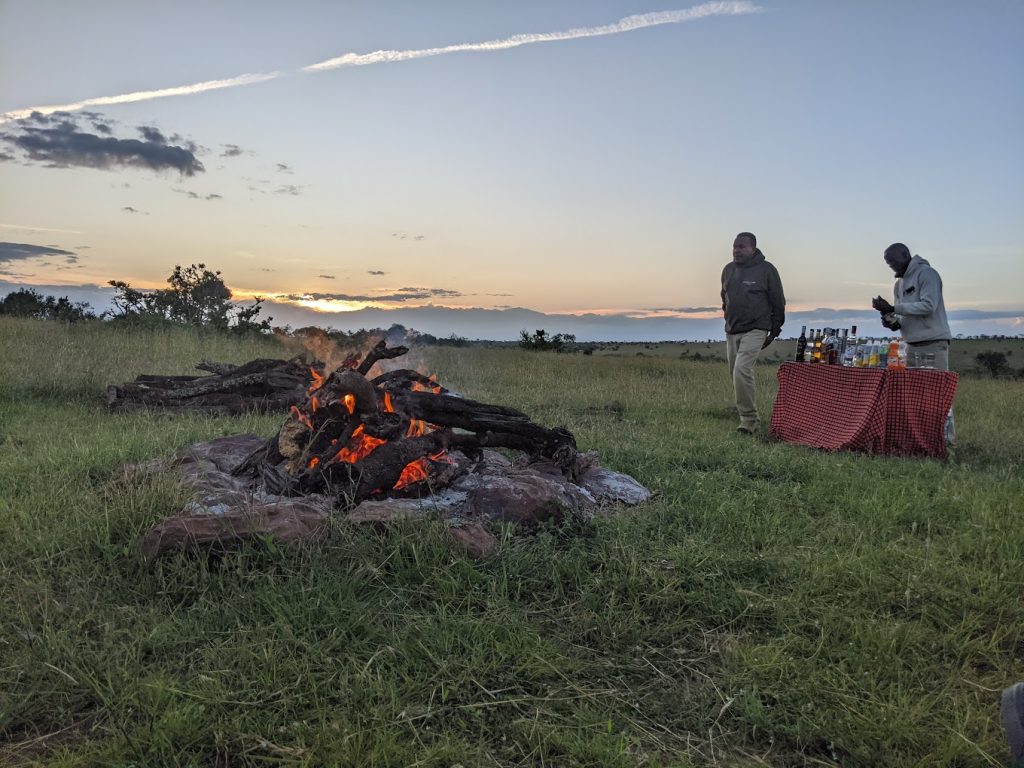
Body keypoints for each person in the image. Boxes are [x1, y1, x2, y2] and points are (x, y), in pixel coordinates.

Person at [871, 242, 954, 441]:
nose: (891, 266)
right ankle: (920, 443)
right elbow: (904, 315)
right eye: (888, 263)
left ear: (905, 254)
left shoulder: (927, 274)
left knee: (937, 397)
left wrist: (894, 308)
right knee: (915, 399)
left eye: (893, 261)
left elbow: (928, 305)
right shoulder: (898, 284)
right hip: (910, 346)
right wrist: (891, 320)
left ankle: (945, 445)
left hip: (933, 343)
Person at [720, 232, 785, 434]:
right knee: (735, 374)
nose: (737, 250)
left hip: (757, 327)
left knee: (741, 370)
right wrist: (728, 318)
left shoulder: (767, 270)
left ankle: (750, 421)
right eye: (734, 246)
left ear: (753, 248)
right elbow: (725, 299)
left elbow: (778, 301)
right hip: (732, 329)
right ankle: (744, 414)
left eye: (742, 247)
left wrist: (774, 330)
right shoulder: (728, 270)